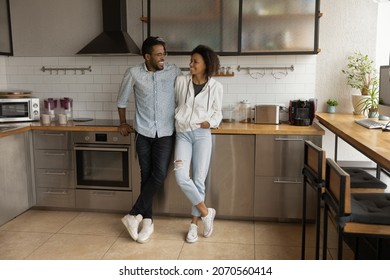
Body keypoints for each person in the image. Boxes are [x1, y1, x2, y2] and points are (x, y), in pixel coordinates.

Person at [117, 36, 182, 244]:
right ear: (147, 56)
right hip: (143, 132)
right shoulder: (133, 73)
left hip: (166, 133)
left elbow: (185, 96)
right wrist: (122, 122)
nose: (163, 57)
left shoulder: (174, 72)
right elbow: (121, 100)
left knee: (159, 174)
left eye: (164, 53)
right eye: (159, 54)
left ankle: (133, 214)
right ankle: (148, 222)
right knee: (146, 176)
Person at [173, 45, 223, 243]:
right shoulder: (181, 81)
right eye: (191, 60)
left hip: (202, 135)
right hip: (182, 134)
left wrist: (209, 122)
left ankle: (193, 225)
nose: (191, 64)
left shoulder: (216, 87)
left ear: (206, 64)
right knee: (180, 175)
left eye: (195, 61)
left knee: (199, 179)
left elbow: (218, 112)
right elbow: (175, 103)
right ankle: (206, 212)